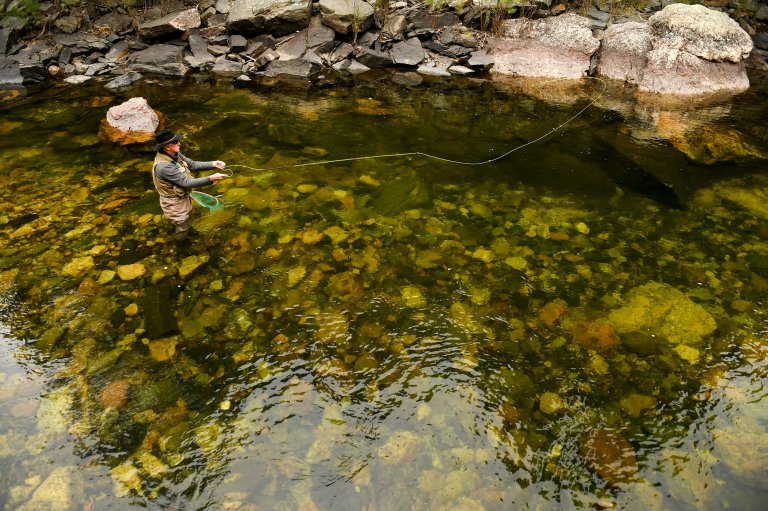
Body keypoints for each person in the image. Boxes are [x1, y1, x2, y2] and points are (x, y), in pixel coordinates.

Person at [151, 129, 228, 239]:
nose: (179, 143)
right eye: (176, 142)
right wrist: (210, 178)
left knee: (187, 221)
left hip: (183, 196)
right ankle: (179, 248)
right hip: (174, 203)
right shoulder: (164, 167)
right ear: (167, 147)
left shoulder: (174, 153)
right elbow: (186, 182)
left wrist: (213, 164)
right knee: (183, 227)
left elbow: (192, 165)